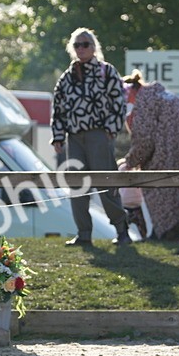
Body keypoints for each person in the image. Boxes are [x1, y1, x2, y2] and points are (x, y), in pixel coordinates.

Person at [50, 28, 131, 246]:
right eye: (77, 45)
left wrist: (111, 129)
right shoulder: (66, 78)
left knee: (106, 182)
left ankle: (122, 230)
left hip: (99, 135)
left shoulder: (107, 71)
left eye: (85, 44)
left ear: (94, 47)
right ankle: (84, 233)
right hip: (74, 137)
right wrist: (58, 136)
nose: (81, 48)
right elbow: (57, 108)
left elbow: (119, 103)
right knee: (77, 184)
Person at [122, 71, 179, 240]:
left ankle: (164, 233)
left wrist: (131, 161)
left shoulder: (145, 101)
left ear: (131, 91)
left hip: (166, 155)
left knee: (163, 194)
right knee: (177, 194)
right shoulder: (162, 95)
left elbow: (144, 139)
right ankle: (163, 233)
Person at [116, 158, 149, 240]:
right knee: (141, 224)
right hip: (136, 203)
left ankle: (124, 236)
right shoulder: (135, 171)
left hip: (125, 202)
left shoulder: (122, 170)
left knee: (123, 223)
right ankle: (144, 237)